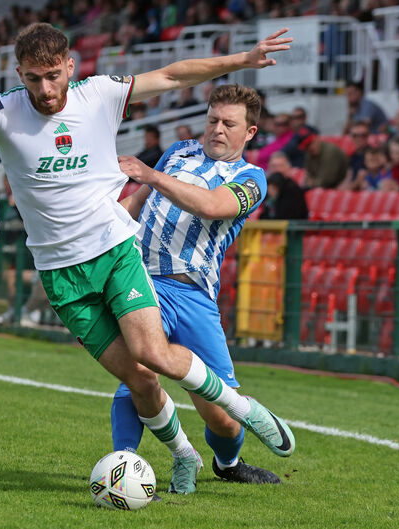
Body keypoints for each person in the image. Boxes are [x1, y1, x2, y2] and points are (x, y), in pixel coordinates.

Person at [0, 23, 296, 493]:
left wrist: (242, 59)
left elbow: (174, 74)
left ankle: (248, 412)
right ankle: (184, 454)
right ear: (19, 73)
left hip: (114, 251)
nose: (45, 89)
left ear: (70, 67)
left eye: (54, 76)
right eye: (34, 78)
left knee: (150, 353)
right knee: (137, 379)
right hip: (61, 276)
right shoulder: (0, 111)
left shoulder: (99, 93)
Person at [111, 84, 287, 486]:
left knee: (222, 418)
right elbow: (139, 199)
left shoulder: (252, 178)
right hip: (141, 278)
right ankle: (122, 465)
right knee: (138, 371)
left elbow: (211, 206)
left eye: (229, 123)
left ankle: (227, 465)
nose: (218, 130)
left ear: (250, 133)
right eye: (212, 120)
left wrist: (151, 174)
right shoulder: (178, 152)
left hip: (193, 293)